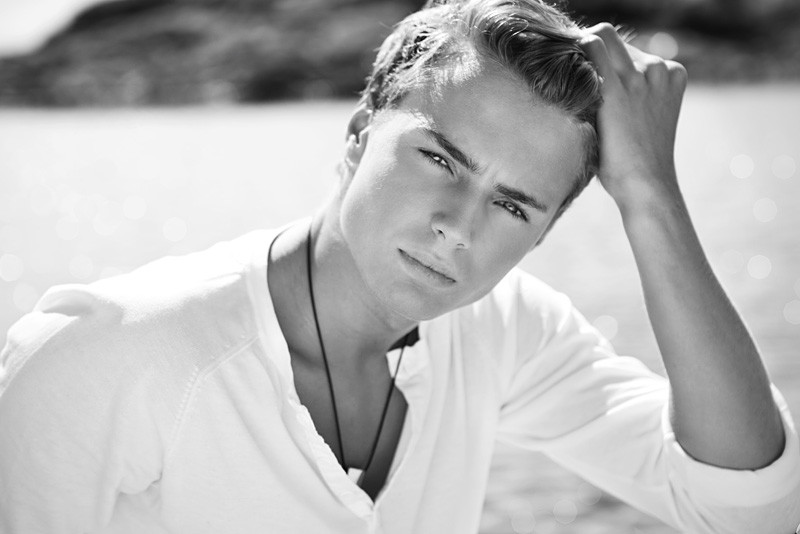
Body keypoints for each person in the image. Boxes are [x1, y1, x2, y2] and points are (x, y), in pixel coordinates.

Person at [1, 0, 798, 532]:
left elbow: (745, 505)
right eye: (440, 159)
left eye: (513, 206)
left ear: (541, 236)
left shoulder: (501, 327)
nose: (457, 227)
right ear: (359, 133)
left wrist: (651, 195)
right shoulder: (107, 358)